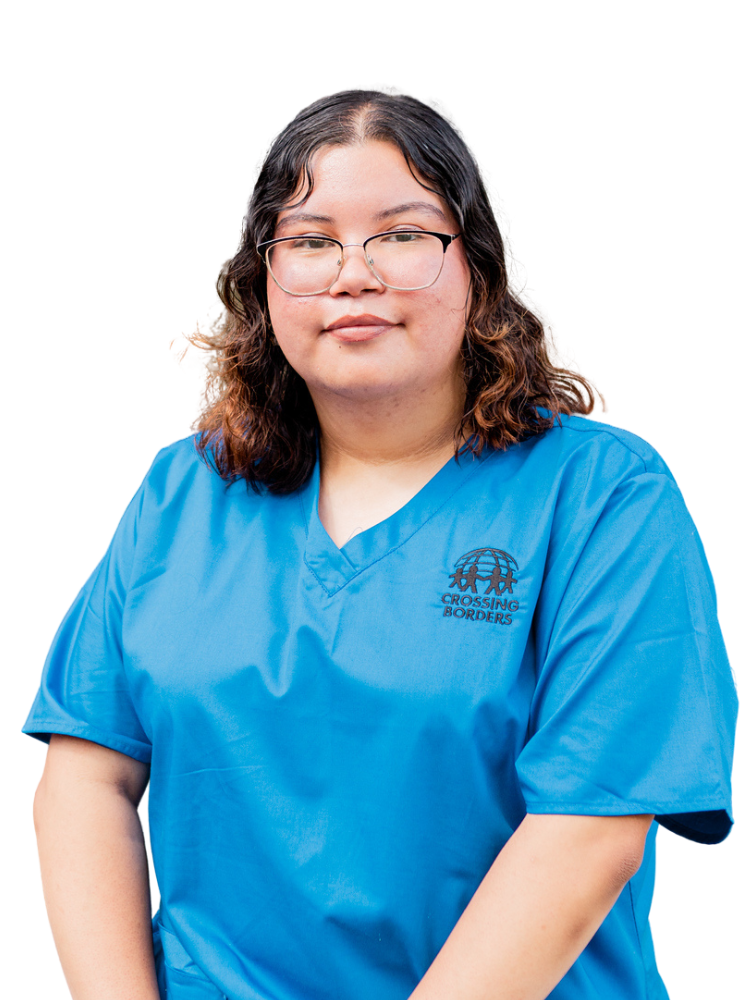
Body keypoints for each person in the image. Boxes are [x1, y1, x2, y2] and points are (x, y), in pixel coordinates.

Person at [24, 83, 738, 1000]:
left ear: (476, 266)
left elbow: (590, 832)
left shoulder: (603, 497)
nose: (352, 271)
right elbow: (88, 777)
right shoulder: (181, 491)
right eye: (312, 240)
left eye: (402, 235)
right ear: (263, 280)